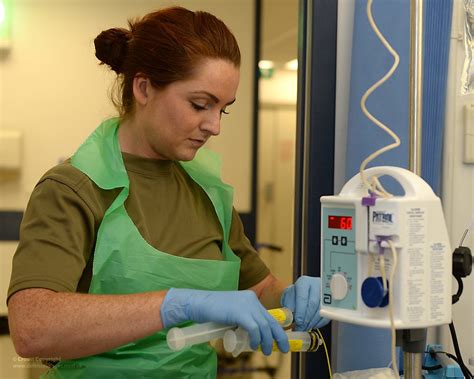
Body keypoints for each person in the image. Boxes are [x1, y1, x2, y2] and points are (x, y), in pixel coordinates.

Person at [7, 6, 328, 378]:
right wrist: (175, 305)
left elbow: (257, 289)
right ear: (143, 88)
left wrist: (290, 297)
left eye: (223, 110)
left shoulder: (209, 194)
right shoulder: (73, 190)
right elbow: (32, 328)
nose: (213, 126)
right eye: (199, 104)